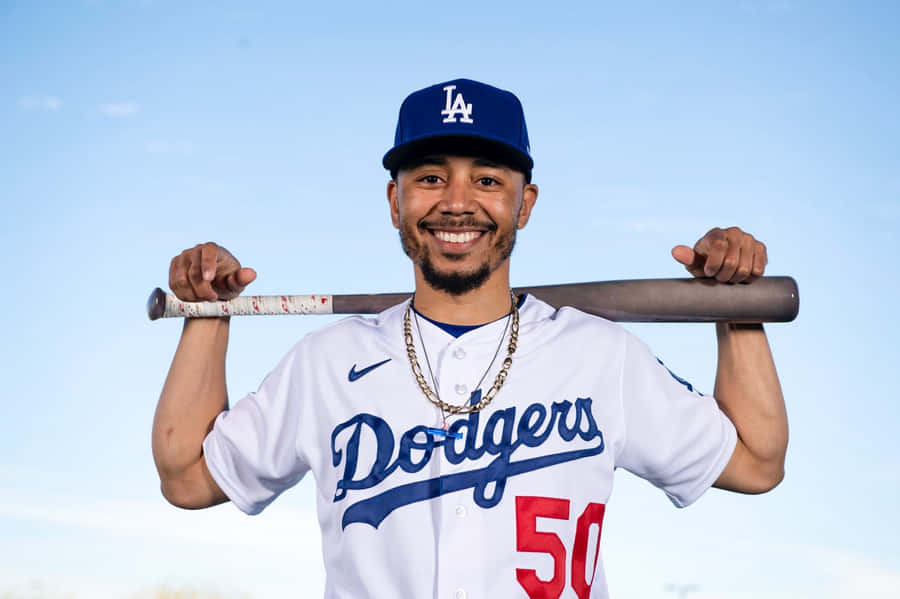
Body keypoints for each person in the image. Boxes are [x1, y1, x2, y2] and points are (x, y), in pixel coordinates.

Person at [152, 78, 787, 599]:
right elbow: (187, 477)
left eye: (487, 180)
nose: (457, 203)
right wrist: (206, 316)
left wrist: (736, 312)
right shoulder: (328, 361)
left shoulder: (600, 356)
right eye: (430, 178)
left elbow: (757, 463)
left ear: (526, 203)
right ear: (394, 200)